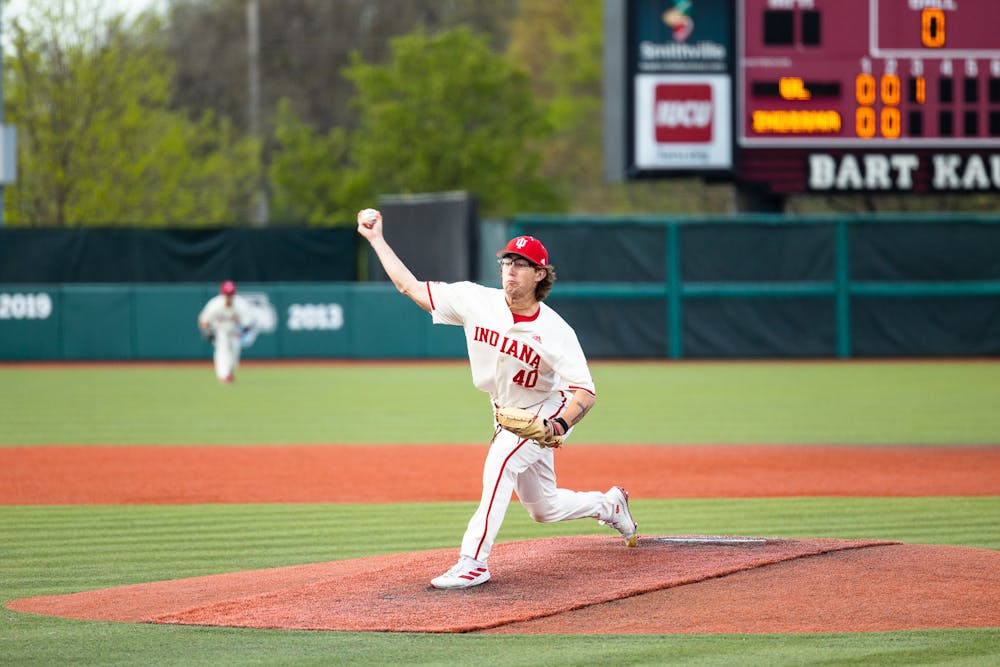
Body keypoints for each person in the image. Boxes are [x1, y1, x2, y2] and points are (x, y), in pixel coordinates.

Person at [356, 207, 638, 590]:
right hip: (504, 411)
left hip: (544, 408)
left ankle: (473, 561)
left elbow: (585, 391)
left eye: (521, 264)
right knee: (544, 508)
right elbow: (411, 288)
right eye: (507, 261)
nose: (510, 269)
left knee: (500, 461)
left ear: (540, 274)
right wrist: (376, 240)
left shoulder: (556, 331)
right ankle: (610, 505)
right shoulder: (475, 301)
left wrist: (558, 424)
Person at [197, 280, 255, 383]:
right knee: (222, 350)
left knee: (234, 355)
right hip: (219, 330)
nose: (229, 296)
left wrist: (243, 331)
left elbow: (248, 323)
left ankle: (228, 372)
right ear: (222, 293)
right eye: (227, 294)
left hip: (234, 331)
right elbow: (203, 320)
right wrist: (207, 331)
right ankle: (224, 375)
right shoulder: (215, 304)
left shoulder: (241, 304)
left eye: (231, 294)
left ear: (234, 294)